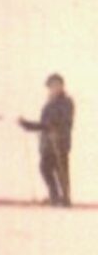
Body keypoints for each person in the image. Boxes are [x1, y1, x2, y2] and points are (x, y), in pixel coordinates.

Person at [19, 74, 75, 206]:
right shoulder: (49, 104)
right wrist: (28, 125)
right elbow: (44, 124)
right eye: (51, 86)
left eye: (56, 85)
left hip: (60, 142)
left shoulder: (66, 102)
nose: (54, 88)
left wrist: (38, 126)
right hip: (48, 143)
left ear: (62, 86)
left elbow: (63, 121)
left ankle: (65, 198)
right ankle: (55, 196)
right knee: (45, 168)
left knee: (60, 169)